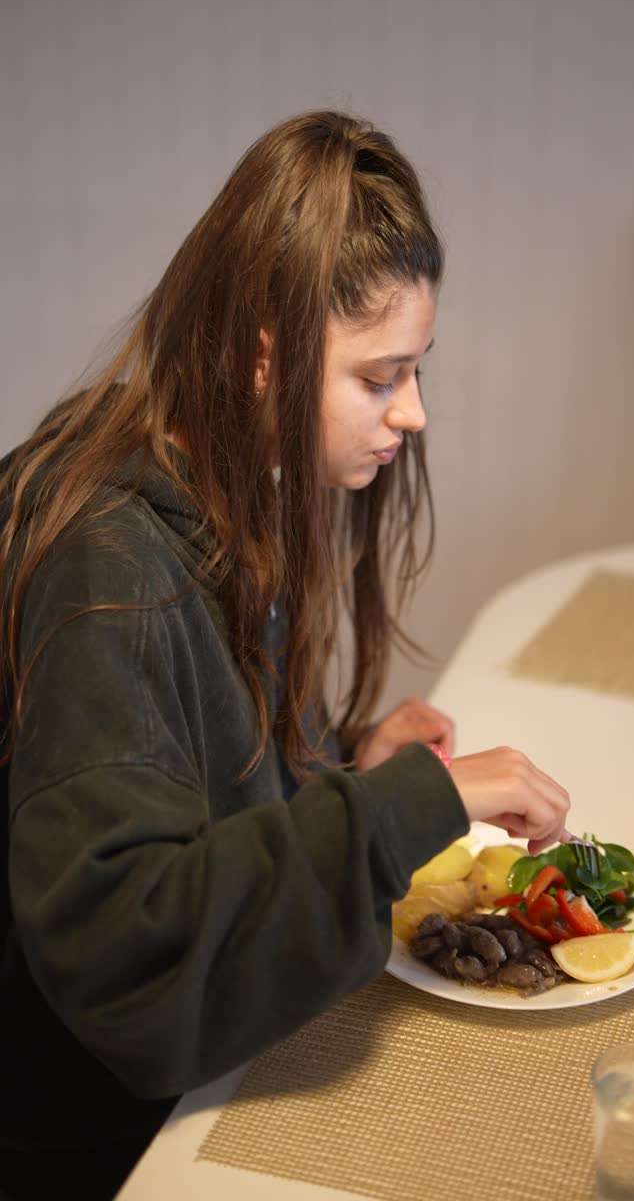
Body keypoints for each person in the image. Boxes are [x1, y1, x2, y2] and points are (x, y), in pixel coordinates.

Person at [0, 110, 570, 1200]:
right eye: (378, 376)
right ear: (265, 357)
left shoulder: (207, 492)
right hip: (98, 1146)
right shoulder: (110, 566)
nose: (413, 412)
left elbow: (196, 787)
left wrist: (341, 763)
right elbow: (123, 946)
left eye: (417, 369)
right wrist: (412, 803)